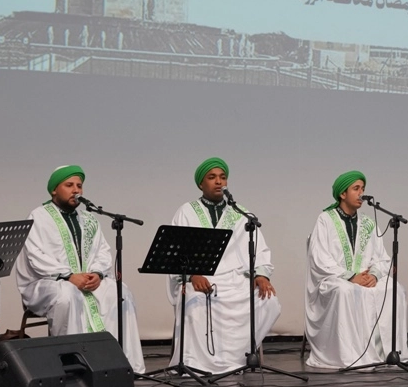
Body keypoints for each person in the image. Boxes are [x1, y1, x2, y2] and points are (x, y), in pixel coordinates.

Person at [15, 165, 145, 372]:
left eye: (79, 185)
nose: (76, 190)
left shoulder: (89, 218)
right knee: (67, 295)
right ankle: (71, 365)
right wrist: (68, 276)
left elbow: (102, 250)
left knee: (121, 293)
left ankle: (123, 364)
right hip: (46, 283)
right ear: (54, 190)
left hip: (86, 280)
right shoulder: (38, 216)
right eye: (69, 185)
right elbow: (35, 256)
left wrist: (97, 274)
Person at [168, 158, 281, 375]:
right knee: (194, 299)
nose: (219, 182)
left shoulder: (241, 214)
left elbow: (259, 250)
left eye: (222, 177)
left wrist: (261, 276)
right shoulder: (186, 211)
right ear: (201, 184)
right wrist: (192, 275)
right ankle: (197, 364)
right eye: (212, 177)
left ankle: (239, 357)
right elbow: (175, 250)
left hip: (235, 279)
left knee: (269, 301)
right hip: (200, 278)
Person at [305, 170, 408, 369]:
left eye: (363, 188)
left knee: (395, 289)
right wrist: (351, 276)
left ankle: (387, 353)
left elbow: (382, 257)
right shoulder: (325, 219)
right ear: (342, 194)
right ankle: (350, 355)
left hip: (366, 278)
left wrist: (374, 275)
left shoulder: (368, 223)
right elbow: (319, 258)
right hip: (334, 278)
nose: (361, 193)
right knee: (344, 291)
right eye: (356, 188)